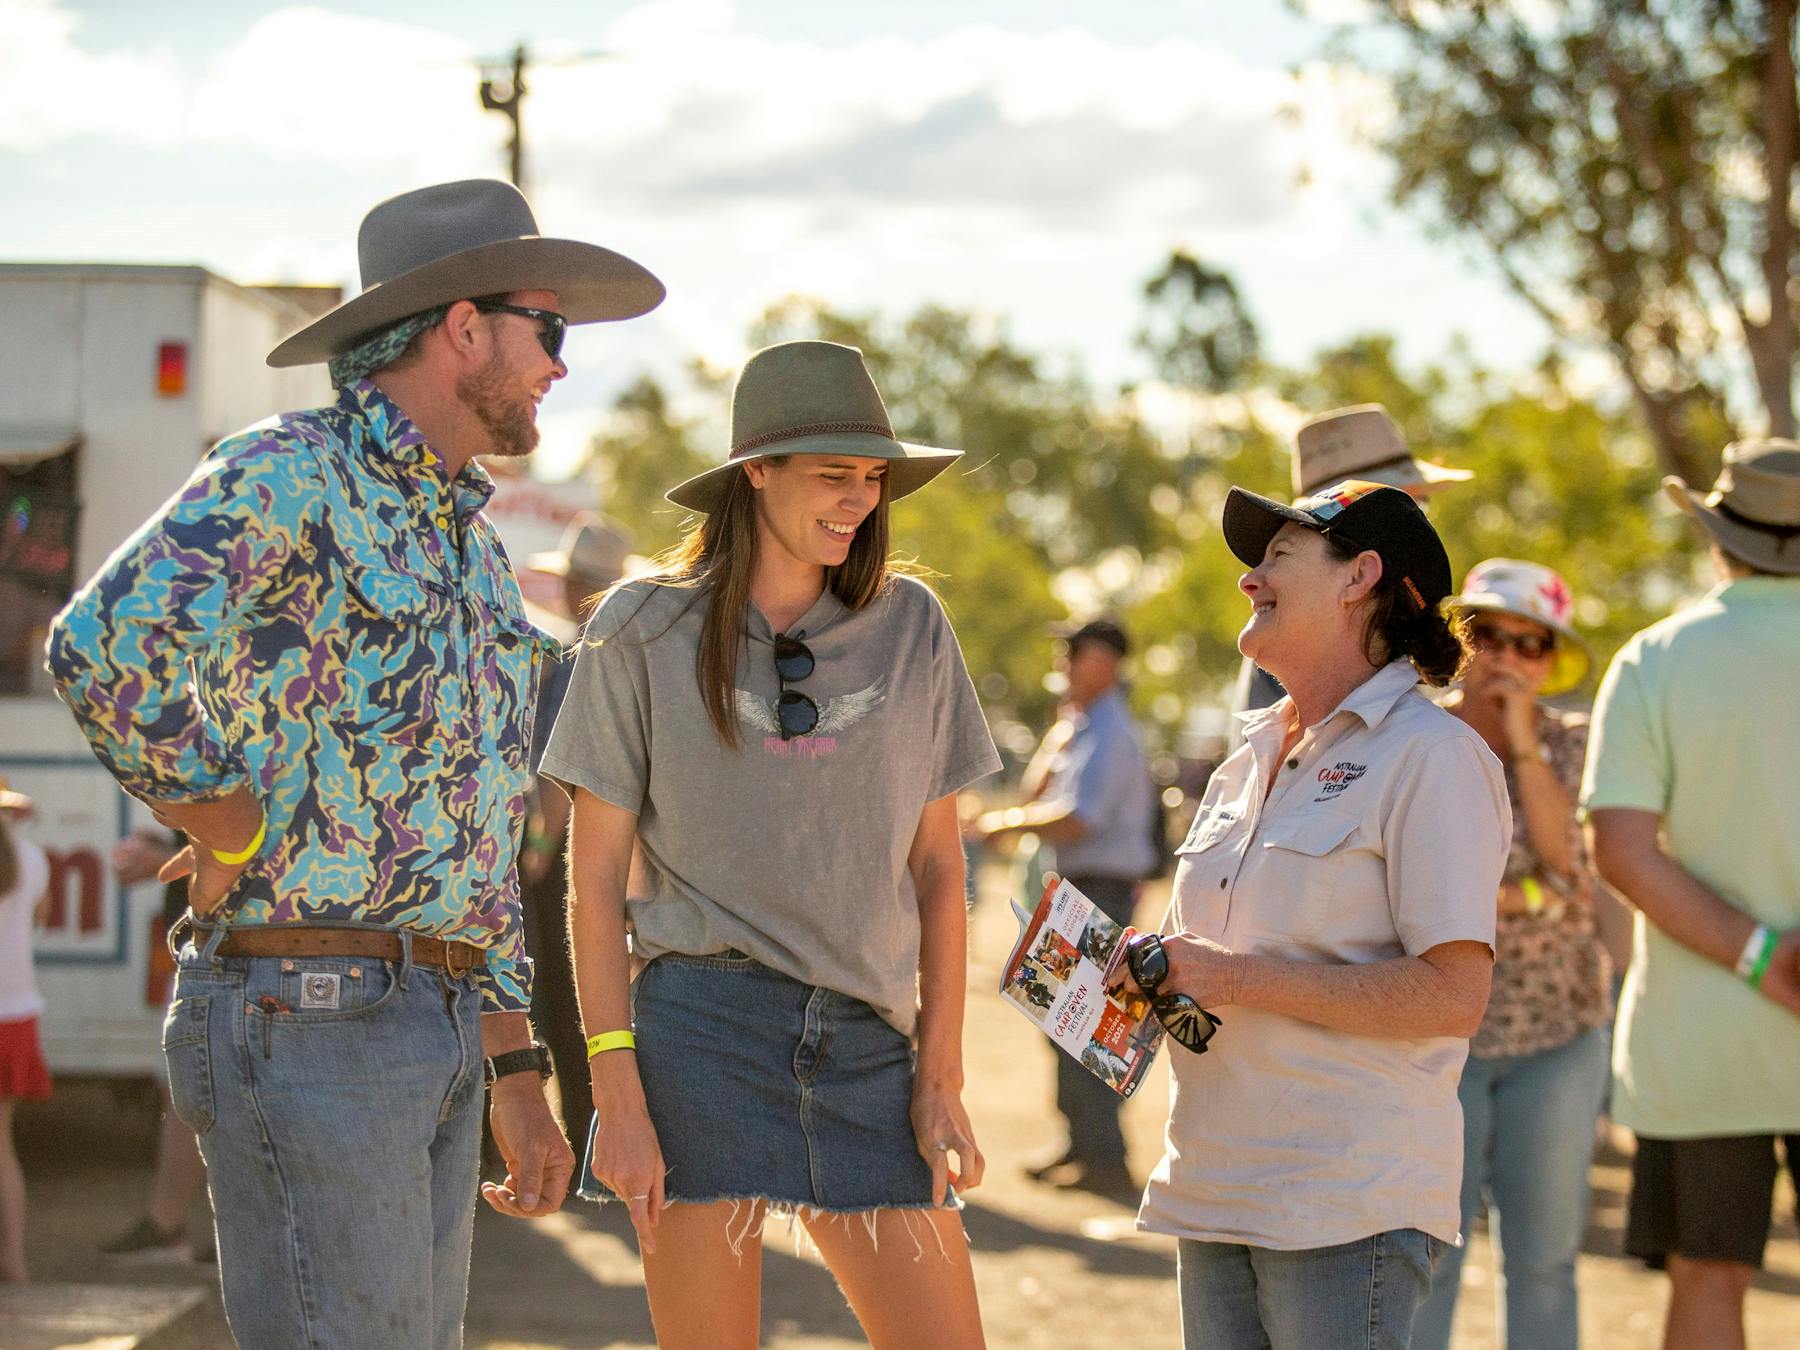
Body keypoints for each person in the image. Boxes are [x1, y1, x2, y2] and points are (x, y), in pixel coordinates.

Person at [44, 178, 664, 1346]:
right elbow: (103, 644)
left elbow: (476, 844)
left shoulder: (473, 550)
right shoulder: (291, 470)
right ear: (463, 327)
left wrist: (518, 1072)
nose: (561, 366)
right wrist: (221, 819)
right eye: (551, 329)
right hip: (307, 1015)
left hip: (424, 1025)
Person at [541, 339, 1001, 1349]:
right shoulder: (642, 628)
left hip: (867, 1048)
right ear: (755, 473)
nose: (859, 499)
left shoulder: (913, 626)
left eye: (873, 477)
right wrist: (614, 1089)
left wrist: (939, 1075)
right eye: (834, 474)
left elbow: (937, 868)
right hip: (698, 1035)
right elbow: (595, 881)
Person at [1118, 479, 1510, 1350]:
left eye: (1277, 557)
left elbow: (1454, 997)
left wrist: (1233, 977)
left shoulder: (1435, 759)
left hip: (1342, 1202)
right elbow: (1219, 968)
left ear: (1359, 576)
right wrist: (1148, 975)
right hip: (1214, 1186)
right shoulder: (1242, 762)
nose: (1249, 580)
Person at [1582, 438, 1800, 1350]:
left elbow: (1623, 851)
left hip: (1701, 1041)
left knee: (1708, 1274)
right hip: (1708, 1041)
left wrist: (1763, 956)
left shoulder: (1653, 660)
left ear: (1719, 536)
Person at [1413, 559, 1611, 1350]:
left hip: (1559, 1038)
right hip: (1437, 1043)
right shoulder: (1416, 736)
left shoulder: (1570, 743)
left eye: (1531, 645)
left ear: (1549, 659)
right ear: (1463, 638)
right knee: (1431, 1252)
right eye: (1491, 634)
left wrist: (1525, 745)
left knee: (1544, 1260)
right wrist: (1530, 898)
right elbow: (1406, 891)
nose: (1508, 657)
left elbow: (1573, 871)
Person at [968, 617, 1156, 1197]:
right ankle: (1085, 1146)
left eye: (1074, 651)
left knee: (1090, 1028)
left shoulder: (1110, 731)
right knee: (1064, 1022)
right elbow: (1044, 794)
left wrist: (1002, 823)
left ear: (1105, 660)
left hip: (1098, 888)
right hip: (1080, 888)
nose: (1064, 661)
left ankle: (1105, 1155)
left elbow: (1079, 816)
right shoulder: (1082, 726)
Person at [519, 513, 636, 1158]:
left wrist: (538, 849)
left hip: (567, 843)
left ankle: (585, 1131)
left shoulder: (578, 657)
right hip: (619, 847)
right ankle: (595, 1125)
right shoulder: (625, 652)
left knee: (561, 988)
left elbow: (564, 780)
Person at [1236, 404, 1473, 718]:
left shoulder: (1287, 631)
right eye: (1408, 502)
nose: (1416, 522)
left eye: (1419, 506)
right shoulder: (1295, 641)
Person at [97, 827, 212, 1264]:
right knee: (190, 1090)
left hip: (221, 953)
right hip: (204, 950)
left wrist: (164, 855)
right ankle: (171, 1224)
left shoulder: (248, 761)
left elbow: (257, 850)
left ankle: (168, 1226)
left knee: (191, 1090)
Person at [0, 777, 51, 1285]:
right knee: (3, 1148)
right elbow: (41, 918)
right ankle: (14, 1261)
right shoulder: (34, 860)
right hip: (16, 1016)